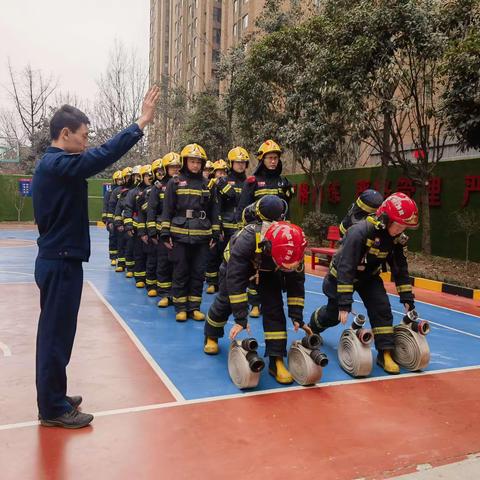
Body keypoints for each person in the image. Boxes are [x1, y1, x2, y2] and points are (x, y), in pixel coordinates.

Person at [32, 86, 160, 428]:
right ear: (65, 134)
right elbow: (100, 156)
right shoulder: (58, 164)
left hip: (61, 259)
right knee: (55, 337)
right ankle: (52, 409)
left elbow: (92, 156)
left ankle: (55, 394)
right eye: (84, 136)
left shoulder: (58, 165)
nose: (87, 142)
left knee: (58, 334)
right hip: (59, 262)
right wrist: (140, 124)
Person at [308, 192, 419, 374]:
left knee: (381, 309)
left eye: (404, 227)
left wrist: (407, 297)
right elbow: (346, 266)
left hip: (369, 277)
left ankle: (385, 354)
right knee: (334, 314)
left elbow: (400, 267)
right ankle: (313, 326)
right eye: (399, 226)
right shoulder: (360, 232)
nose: (401, 231)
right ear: (385, 218)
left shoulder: (396, 238)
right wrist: (344, 302)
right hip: (342, 276)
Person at [204, 220, 308, 384]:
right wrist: (240, 318)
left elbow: (296, 284)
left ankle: (276, 360)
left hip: (270, 270)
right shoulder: (247, 240)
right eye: (285, 267)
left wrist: (297, 315)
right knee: (225, 302)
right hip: (237, 266)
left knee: (275, 309)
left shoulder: (295, 249)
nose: (288, 270)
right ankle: (211, 335)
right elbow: (235, 281)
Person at [159, 144, 220, 322]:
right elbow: (167, 210)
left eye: (198, 162)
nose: (195, 165)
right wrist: (164, 233)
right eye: (192, 161)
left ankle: (194, 307)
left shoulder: (208, 184)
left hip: (202, 235)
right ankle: (180, 307)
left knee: (198, 272)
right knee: (180, 271)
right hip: (179, 235)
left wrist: (215, 233)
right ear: (185, 162)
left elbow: (214, 211)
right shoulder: (174, 182)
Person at [236, 140, 295, 319]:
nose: (273, 161)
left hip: (278, 233)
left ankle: (270, 299)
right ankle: (254, 303)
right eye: (269, 158)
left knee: (274, 268)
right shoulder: (253, 182)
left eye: (275, 158)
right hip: (257, 231)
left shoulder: (283, 182)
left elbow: (287, 209)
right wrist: (242, 231)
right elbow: (243, 208)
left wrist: (289, 230)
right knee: (256, 266)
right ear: (262, 160)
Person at [146, 152, 182, 307]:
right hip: (162, 232)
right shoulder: (158, 187)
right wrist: (153, 231)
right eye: (172, 167)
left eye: (177, 167)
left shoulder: (184, 184)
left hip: (180, 231)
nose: (175, 170)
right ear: (165, 168)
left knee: (179, 265)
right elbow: (152, 210)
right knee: (163, 263)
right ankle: (165, 295)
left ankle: (177, 295)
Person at [205, 159, 230, 294]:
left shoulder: (228, 186)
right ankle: (211, 282)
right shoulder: (211, 185)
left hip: (228, 224)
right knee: (212, 254)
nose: (221, 175)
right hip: (213, 223)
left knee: (224, 255)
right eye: (218, 172)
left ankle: (222, 283)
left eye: (223, 172)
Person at [102, 170, 122, 265]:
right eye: (118, 180)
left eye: (121, 179)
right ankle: (113, 257)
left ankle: (121, 257)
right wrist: (106, 220)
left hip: (121, 219)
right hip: (112, 219)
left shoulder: (125, 190)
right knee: (113, 238)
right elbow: (106, 205)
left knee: (121, 239)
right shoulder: (109, 192)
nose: (120, 181)